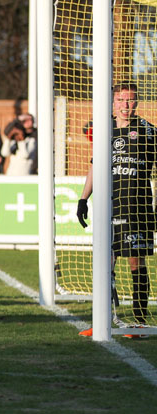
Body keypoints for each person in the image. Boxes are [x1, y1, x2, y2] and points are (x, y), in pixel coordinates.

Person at [77, 82, 156, 325]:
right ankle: (104, 318)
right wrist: (83, 199)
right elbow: (95, 165)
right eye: (121, 100)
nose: (126, 105)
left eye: (131, 100)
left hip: (137, 204)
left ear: (137, 103)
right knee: (105, 258)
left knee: (135, 260)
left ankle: (140, 319)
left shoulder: (148, 131)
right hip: (109, 204)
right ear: (113, 102)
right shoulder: (104, 128)